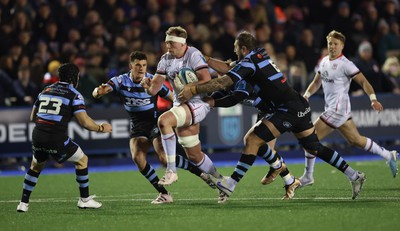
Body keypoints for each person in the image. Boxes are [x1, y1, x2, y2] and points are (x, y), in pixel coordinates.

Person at [179, 31, 366, 200]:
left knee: (252, 139)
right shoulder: (258, 55)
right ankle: (354, 175)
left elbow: (223, 83)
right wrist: (204, 58)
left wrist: (193, 90)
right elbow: (229, 67)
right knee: (314, 146)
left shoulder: (248, 63)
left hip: (286, 109)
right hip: (298, 104)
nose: (235, 52)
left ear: (243, 49)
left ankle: (232, 183)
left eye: (236, 49)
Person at [92, 51, 215, 204]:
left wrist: (187, 111)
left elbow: (172, 97)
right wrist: (99, 91)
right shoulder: (120, 81)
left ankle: (201, 174)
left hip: (155, 123)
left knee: (164, 158)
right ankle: (164, 194)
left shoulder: (152, 81)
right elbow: (99, 92)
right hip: (137, 126)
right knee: (138, 158)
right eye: (138, 65)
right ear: (130, 66)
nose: (142, 68)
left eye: (144, 65)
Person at [299, 30, 398, 187]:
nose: (332, 46)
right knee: (356, 140)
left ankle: (308, 176)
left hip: (337, 110)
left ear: (342, 46)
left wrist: (373, 99)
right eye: (330, 43)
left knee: (310, 138)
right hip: (338, 110)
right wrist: (306, 95)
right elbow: (316, 82)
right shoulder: (324, 61)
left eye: (335, 44)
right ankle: (388, 155)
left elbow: (364, 82)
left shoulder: (346, 64)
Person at [17, 63, 112, 213]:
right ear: (75, 77)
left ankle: (23, 203)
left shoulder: (45, 90)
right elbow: (85, 122)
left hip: (38, 134)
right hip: (55, 137)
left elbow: (32, 117)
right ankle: (85, 200)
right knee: (82, 160)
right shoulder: (74, 94)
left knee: (35, 166)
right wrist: (101, 128)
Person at [140, 26, 223, 187]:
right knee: (194, 156)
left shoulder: (194, 55)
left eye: (171, 43)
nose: (168, 46)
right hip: (181, 105)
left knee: (164, 121)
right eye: (166, 43)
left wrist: (190, 88)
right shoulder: (165, 59)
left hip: (199, 104)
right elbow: (154, 90)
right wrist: (148, 86)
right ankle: (222, 182)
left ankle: (171, 171)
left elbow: (207, 81)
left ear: (182, 43)